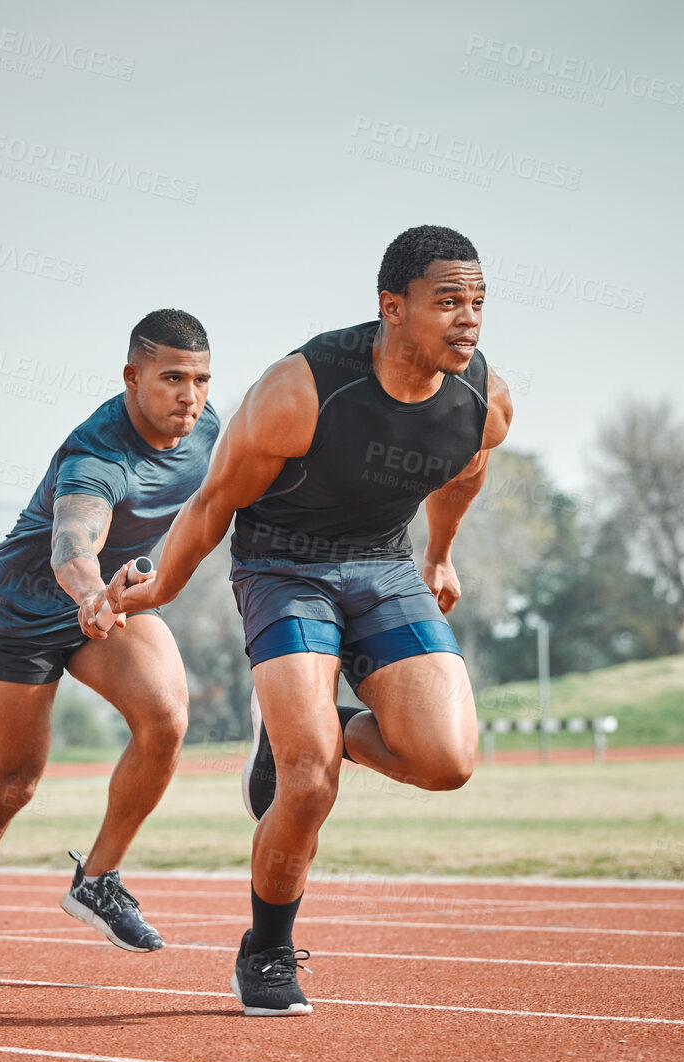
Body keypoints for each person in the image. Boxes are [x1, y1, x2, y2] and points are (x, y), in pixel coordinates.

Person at [109, 226, 512, 1014]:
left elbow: (465, 473)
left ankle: (320, 721)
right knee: (306, 779)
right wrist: (157, 591)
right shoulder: (302, 391)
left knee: (446, 762)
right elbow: (214, 503)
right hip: (283, 567)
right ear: (392, 308)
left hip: (385, 566)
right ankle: (266, 949)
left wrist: (439, 554)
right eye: (447, 302)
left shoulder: (483, 399)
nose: (467, 320)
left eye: (478, 303)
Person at [0, 308, 219, 982]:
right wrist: (89, 592)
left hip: (112, 600)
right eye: (172, 377)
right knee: (14, 781)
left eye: (201, 379)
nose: (189, 395)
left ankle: (99, 878)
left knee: (167, 718)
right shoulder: (99, 453)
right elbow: (71, 540)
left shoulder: (207, 431)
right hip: (27, 606)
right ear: (131, 377)